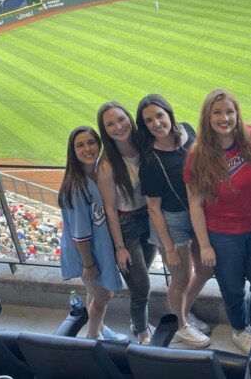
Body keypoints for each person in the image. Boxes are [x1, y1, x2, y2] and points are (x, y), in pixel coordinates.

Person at [184, 88, 251, 355]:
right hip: (222, 235)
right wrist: (204, 245)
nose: (224, 118)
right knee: (233, 289)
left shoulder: (249, 136)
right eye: (217, 112)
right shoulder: (198, 155)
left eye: (229, 111)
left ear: (237, 113)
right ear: (208, 116)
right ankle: (240, 332)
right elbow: (195, 205)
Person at [136, 94, 212, 348]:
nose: (157, 123)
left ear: (169, 113)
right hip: (172, 221)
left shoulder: (187, 131)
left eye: (159, 115)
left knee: (205, 269)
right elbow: (154, 209)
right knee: (180, 278)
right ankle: (179, 327)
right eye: (149, 120)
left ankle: (184, 314)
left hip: (198, 212)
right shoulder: (150, 160)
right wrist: (168, 248)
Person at [96, 102, 158, 345]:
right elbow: (110, 209)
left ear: (129, 119)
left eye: (121, 120)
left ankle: (138, 322)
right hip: (126, 226)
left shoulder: (145, 147)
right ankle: (141, 329)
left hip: (149, 218)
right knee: (141, 288)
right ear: (104, 130)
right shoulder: (107, 165)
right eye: (109, 124)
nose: (118, 127)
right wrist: (119, 247)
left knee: (142, 277)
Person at [58, 126, 127, 342]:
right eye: (80, 145)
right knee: (104, 294)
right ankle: (92, 337)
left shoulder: (97, 174)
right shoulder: (76, 187)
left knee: (94, 292)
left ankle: (99, 327)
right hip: (86, 253)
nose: (88, 148)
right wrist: (88, 265)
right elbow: (80, 235)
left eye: (91, 143)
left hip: (95, 250)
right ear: (73, 151)